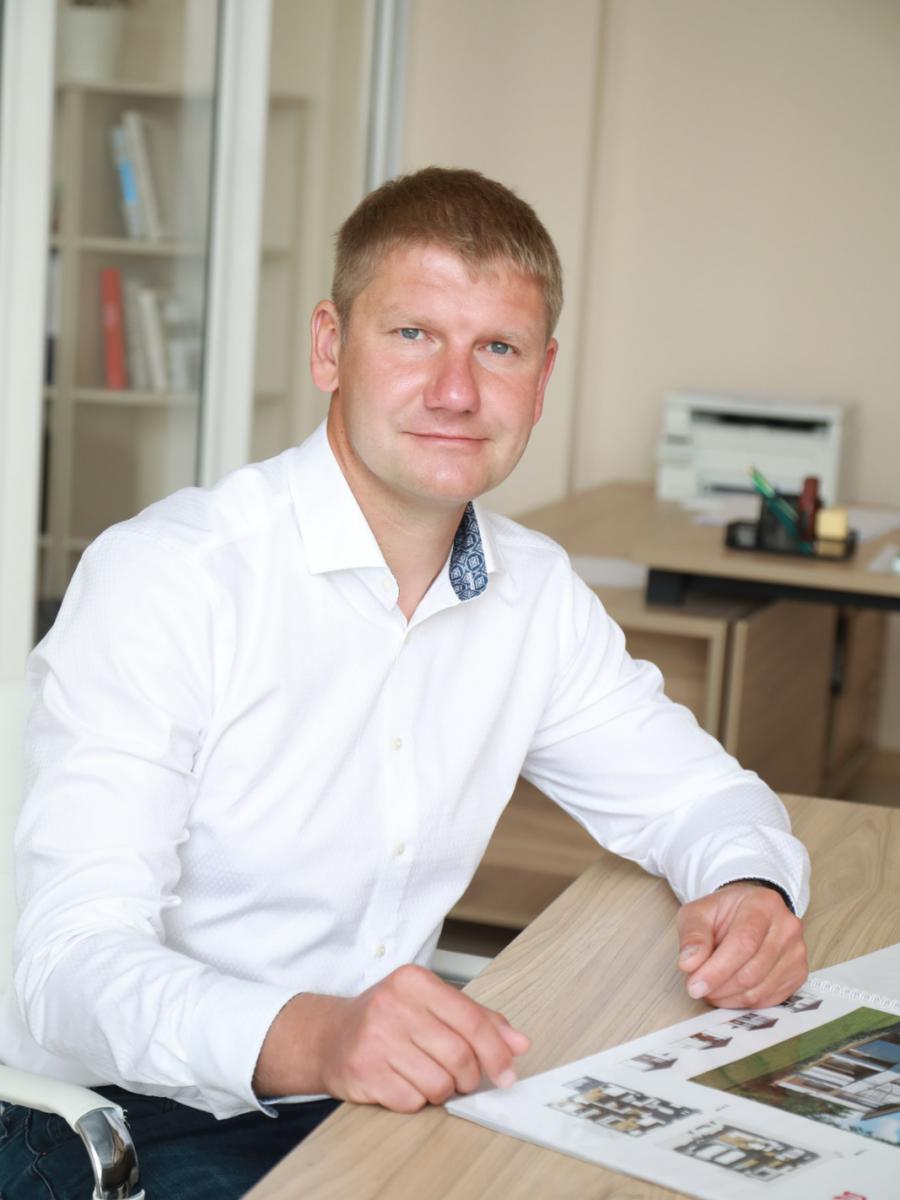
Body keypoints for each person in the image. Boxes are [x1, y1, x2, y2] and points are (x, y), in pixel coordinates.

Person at [0, 167, 808, 1198]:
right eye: (415, 335)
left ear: (542, 378)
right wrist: (324, 1036)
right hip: (124, 1121)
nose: (457, 391)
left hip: (374, 1097)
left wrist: (749, 889)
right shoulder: (172, 576)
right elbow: (68, 966)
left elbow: (698, 796)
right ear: (330, 346)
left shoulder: (532, 593)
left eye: (499, 348)